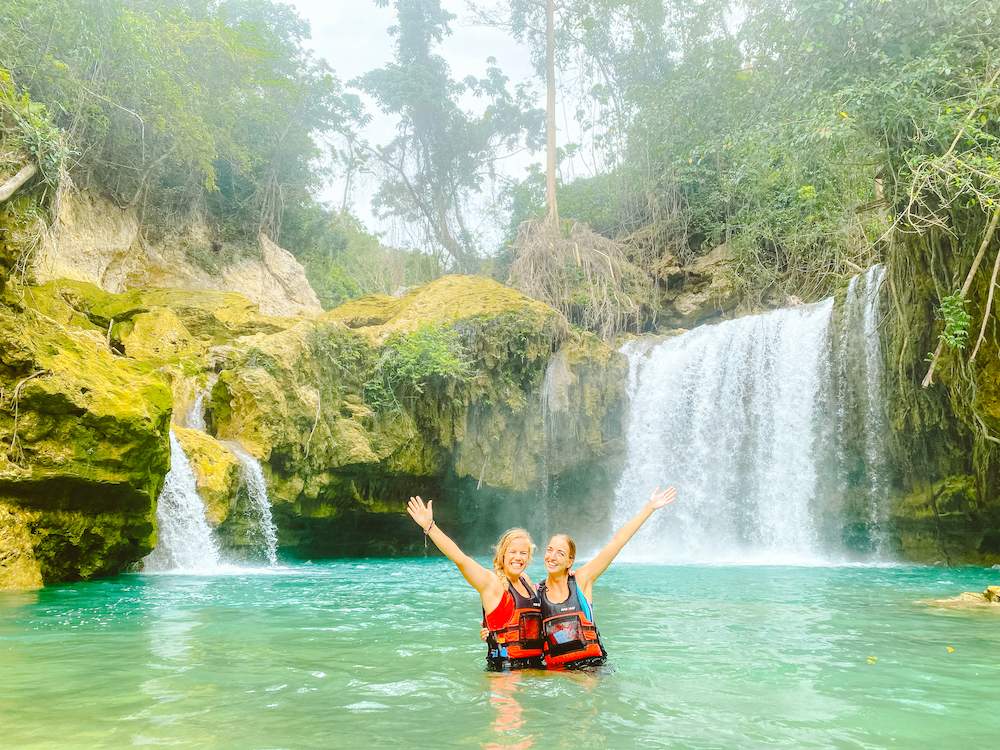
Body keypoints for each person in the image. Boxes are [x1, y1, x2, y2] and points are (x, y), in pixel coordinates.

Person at [538, 486, 677, 669]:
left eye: (560, 554)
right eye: (550, 550)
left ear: (570, 562)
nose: (552, 557)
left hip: (591, 669)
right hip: (557, 673)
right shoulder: (536, 593)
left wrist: (649, 507)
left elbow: (617, 541)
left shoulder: (582, 579)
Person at [407, 495, 544, 670]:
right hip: (506, 671)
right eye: (512, 552)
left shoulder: (525, 580)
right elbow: (461, 559)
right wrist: (429, 527)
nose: (518, 558)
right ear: (502, 555)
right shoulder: (492, 584)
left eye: (523, 553)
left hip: (536, 667)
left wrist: (568, 574)